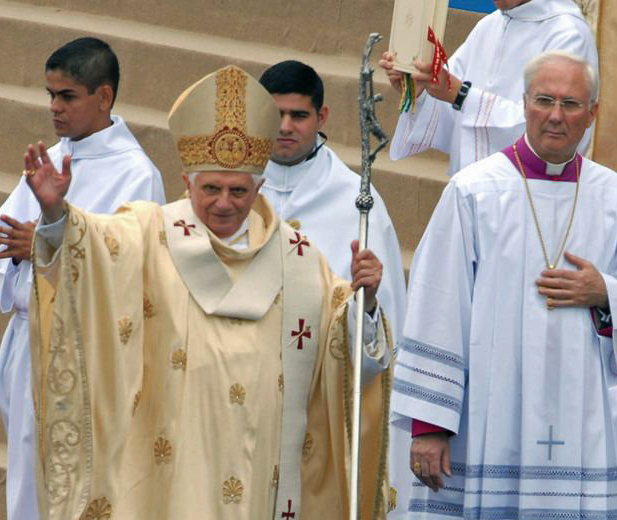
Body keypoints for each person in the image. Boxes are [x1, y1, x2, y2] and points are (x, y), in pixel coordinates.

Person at [23, 65, 392, 519]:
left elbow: (346, 349)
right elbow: (90, 251)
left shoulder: (297, 258)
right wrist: (57, 213)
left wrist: (366, 301)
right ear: (186, 182)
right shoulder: (148, 231)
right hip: (170, 460)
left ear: (259, 187)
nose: (224, 202)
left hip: (263, 466)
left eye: (238, 190)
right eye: (211, 188)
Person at [391, 51, 617, 519]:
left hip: (578, 416)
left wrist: (605, 294)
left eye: (572, 104)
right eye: (544, 100)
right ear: (524, 104)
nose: (556, 116)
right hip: (486, 417)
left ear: (593, 113)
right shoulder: (473, 190)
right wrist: (428, 425)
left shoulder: (614, 196)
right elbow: (438, 305)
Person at [0, 37, 165, 520]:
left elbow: (132, 274)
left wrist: (47, 245)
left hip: (88, 356)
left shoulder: (137, 175)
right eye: (50, 95)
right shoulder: (52, 158)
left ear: (103, 97)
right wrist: (27, 253)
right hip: (30, 342)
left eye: (67, 96)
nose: (54, 108)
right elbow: (5, 245)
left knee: (69, 491)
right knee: (28, 486)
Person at [258, 59, 407, 349]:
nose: (285, 127)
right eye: (276, 114)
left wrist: (369, 301)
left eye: (298, 115)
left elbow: (384, 326)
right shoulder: (229, 188)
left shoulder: (358, 201)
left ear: (322, 116)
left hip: (319, 377)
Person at [379, 0, 598, 177]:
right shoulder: (488, 26)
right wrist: (419, 89)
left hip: (533, 191)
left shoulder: (568, 33)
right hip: (472, 190)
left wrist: (459, 94)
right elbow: (449, 102)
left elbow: (550, 123)